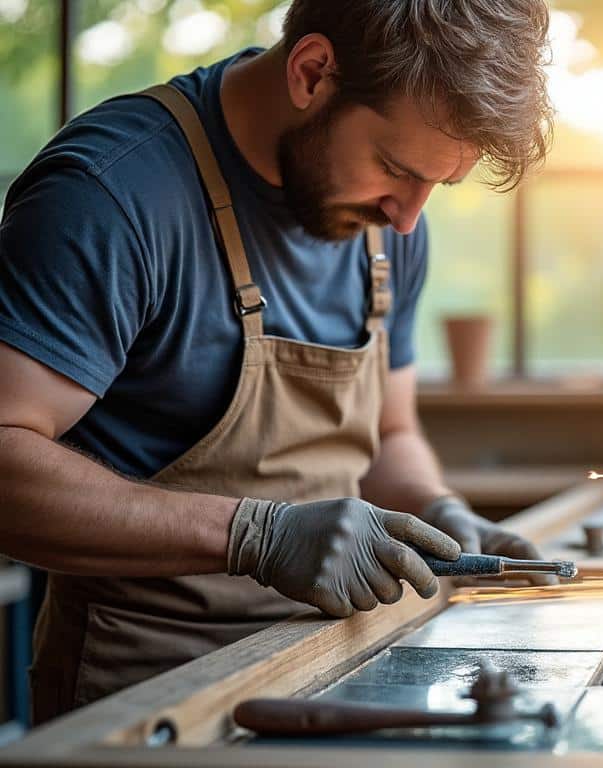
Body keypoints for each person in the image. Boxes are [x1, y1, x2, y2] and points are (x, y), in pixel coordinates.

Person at [0, 0, 553, 723]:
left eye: (436, 186)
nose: (410, 216)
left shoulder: (388, 225)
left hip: (344, 670)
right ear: (312, 72)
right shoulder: (112, 194)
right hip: (150, 703)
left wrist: (439, 512)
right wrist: (254, 535)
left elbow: (391, 436)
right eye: (393, 167)